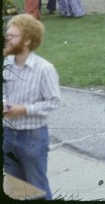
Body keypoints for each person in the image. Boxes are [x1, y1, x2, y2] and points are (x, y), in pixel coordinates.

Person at [3, 13, 61, 200]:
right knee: (15, 189)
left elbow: (54, 101)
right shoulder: (7, 64)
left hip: (33, 137)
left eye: (12, 36)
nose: (7, 39)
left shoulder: (44, 69)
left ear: (27, 40)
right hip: (8, 134)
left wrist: (24, 109)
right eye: (7, 35)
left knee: (37, 189)